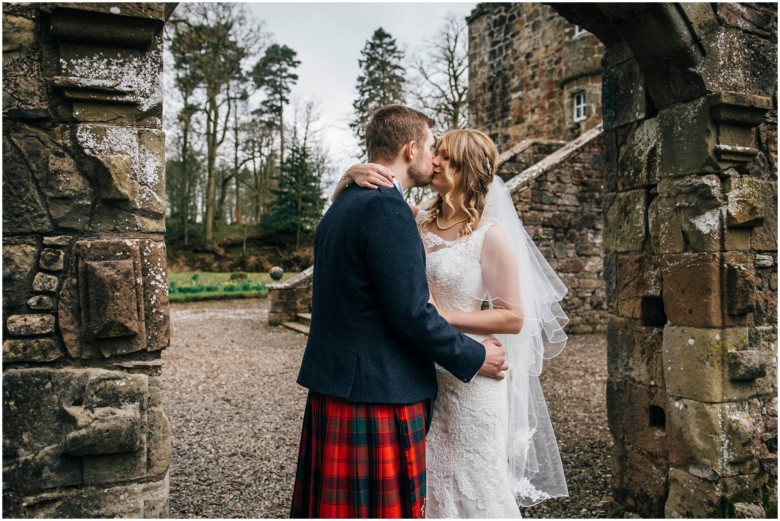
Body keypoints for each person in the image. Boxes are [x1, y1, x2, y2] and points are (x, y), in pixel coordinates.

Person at [290, 106, 508, 519]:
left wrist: (346, 176)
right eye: (430, 147)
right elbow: (411, 314)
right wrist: (476, 356)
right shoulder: (386, 209)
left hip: (342, 381)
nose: (435, 158)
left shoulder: (344, 203)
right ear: (411, 149)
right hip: (377, 388)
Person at [342, 128, 569, 517]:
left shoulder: (490, 237)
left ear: (465, 169)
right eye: (437, 152)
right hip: (423, 369)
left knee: (474, 481)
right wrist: (351, 174)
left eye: (445, 156)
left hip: (472, 375)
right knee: (428, 480)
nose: (434, 160)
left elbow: (513, 316)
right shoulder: (417, 222)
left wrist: (443, 317)